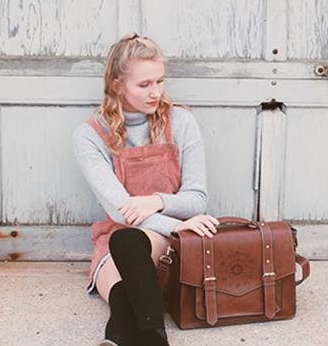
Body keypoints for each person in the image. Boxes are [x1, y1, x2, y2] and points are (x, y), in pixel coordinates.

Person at [72, 33, 220, 346]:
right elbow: (120, 211)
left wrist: (156, 202)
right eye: (144, 85)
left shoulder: (180, 122)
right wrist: (177, 221)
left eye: (160, 81)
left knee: (131, 243)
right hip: (120, 237)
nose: (156, 93)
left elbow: (197, 199)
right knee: (123, 288)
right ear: (116, 84)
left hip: (171, 238)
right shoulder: (90, 135)